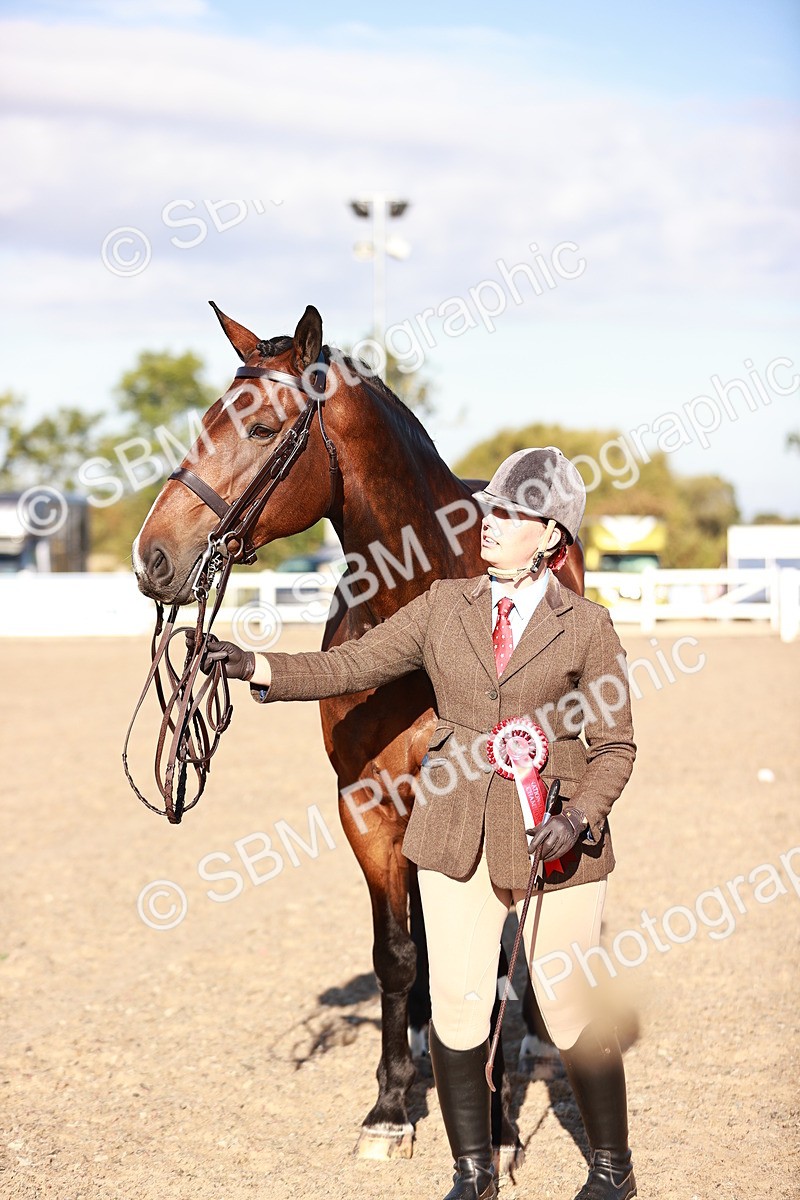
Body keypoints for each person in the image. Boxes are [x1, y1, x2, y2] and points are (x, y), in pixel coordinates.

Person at [195, 447, 637, 1200]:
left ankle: (611, 1171)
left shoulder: (588, 626)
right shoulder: (442, 606)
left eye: (508, 513)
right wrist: (253, 665)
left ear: (551, 537)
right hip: (453, 827)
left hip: (551, 835)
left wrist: (582, 816)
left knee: (567, 1010)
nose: (486, 521)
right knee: (461, 1009)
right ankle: (473, 1175)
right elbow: (350, 666)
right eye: (486, 508)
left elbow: (616, 745)